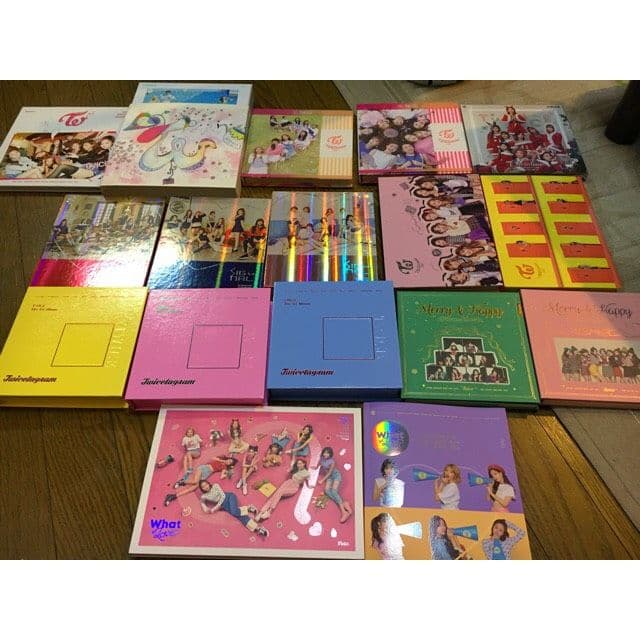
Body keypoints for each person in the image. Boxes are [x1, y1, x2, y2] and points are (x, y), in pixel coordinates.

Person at [199, 480, 269, 538]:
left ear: (208, 483)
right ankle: (257, 528)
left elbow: (223, 496)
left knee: (234, 512)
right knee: (240, 517)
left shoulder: (215, 486)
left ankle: (248, 509)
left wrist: (215, 508)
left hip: (229, 497)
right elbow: (202, 503)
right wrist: (205, 508)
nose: (206, 487)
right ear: (202, 489)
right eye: (203, 486)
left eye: (206, 484)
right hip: (224, 505)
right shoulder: (204, 496)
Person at [164, 455, 238, 506]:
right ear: (228, 458)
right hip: (203, 468)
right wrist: (223, 460)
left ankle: (173, 496)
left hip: (207, 474)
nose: (228, 462)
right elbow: (213, 458)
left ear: (230, 465)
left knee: (194, 487)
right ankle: (182, 482)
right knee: (195, 482)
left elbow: (222, 476)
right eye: (229, 460)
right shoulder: (221, 458)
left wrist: (227, 474)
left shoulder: (224, 467)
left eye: (230, 462)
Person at [317, 446, 352, 523]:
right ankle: (344, 503)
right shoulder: (321, 459)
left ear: (330, 454)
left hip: (336, 476)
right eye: (325, 452)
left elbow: (329, 472)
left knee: (333, 491)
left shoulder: (332, 462)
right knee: (326, 491)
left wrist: (322, 480)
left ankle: (344, 512)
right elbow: (320, 464)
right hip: (329, 477)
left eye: (328, 453)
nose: (326, 454)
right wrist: (316, 468)